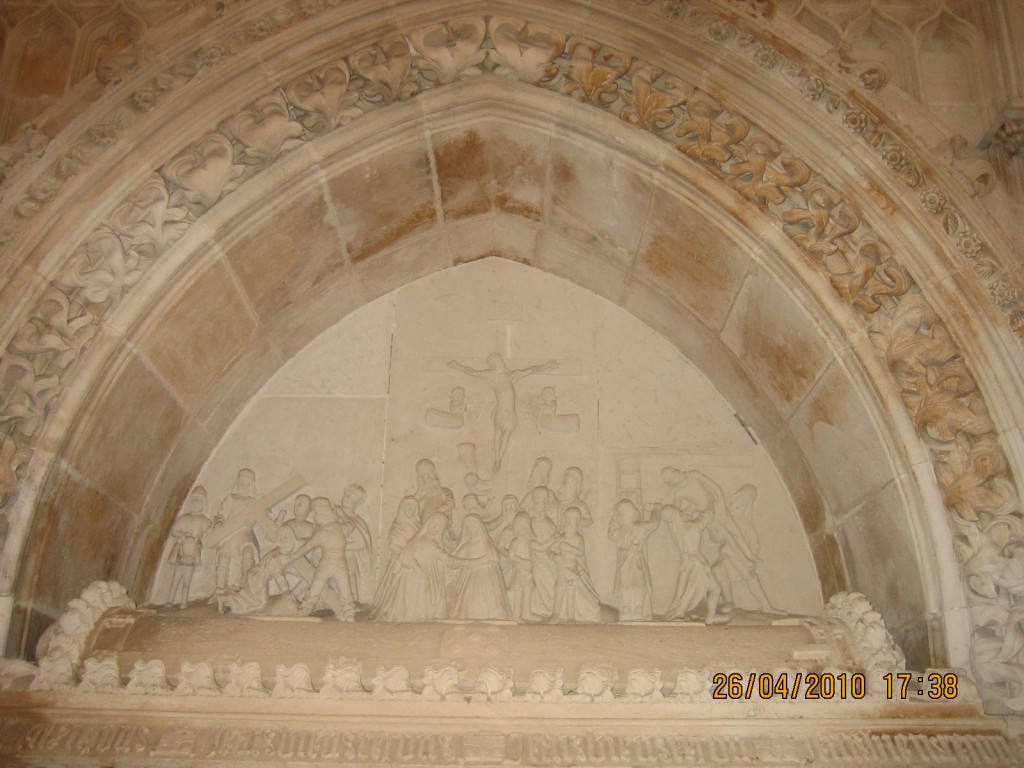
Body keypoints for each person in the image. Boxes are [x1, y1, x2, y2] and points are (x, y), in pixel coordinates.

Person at [448, 354, 558, 471]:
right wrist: (457, 366)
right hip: (500, 412)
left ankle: (499, 459)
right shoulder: (492, 376)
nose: (494, 365)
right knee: (497, 435)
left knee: (506, 436)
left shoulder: (511, 375)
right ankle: (497, 459)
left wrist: (547, 365)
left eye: (495, 362)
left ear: (500, 362)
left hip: (510, 413)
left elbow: (531, 370)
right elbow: (473, 372)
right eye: (491, 364)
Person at [371, 513, 470, 622]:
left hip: (426, 577)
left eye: (439, 526)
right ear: (428, 524)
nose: (435, 527)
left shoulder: (434, 544)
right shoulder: (416, 540)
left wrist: (465, 562)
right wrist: (419, 570)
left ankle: (418, 622)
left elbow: (446, 559)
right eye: (434, 524)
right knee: (413, 602)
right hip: (412, 577)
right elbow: (405, 557)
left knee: (422, 604)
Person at [286, 497, 355, 621]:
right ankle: (349, 615)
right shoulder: (341, 528)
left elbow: (307, 547)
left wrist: (293, 556)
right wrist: (342, 514)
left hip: (325, 566)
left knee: (314, 590)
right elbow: (352, 524)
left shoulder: (322, 533)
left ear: (319, 514)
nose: (312, 516)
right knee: (345, 592)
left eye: (314, 513)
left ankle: (304, 611)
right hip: (341, 566)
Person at [660, 504, 723, 623]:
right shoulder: (691, 527)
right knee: (712, 589)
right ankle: (707, 616)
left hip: (686, 565)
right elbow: (705, 519)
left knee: (687, 593)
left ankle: (704, 615)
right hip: (697, 564)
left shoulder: (674, 530)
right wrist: (708, 509)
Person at [450, 514, 510, 620]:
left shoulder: (486, 544)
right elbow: (452, 563)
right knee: (472, 602)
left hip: (488, 578)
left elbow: (493, 558)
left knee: (490, 602)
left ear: (479, 527)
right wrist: (466, 562)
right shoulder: (466, 546)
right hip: (471, 579)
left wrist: (474, 563)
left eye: (473, 526)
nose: (471, 530)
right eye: (468, 527)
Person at [607, 499, 658, 621]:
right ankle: (626, 607)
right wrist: (656, 509)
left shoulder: (639, 527)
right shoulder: (620, 530)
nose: (622, 515)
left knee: (638, 582)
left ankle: (638, 606)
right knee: (625, 584)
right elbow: (610, 533)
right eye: (620, 512)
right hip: (625, 559)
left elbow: (654, 524)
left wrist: (656, 509)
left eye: (623, 512)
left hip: (635, 559)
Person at [211, 469, 261, 592]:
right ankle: (220, 589)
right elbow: (221, 514)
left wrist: (250, 521)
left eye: (247, 484)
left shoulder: (252, 501)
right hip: (229, 535)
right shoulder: (230, 499)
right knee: (223, 557)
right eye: (242, 483)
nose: (244, 486)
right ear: (237, 482)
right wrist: (219, 524)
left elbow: (254, 519)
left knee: (248, 554)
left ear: (251, 486)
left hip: (245, 534)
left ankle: (245, 588)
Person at [551, 507, 601, 623]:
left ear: (577, 522)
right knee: (559, 589)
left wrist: (567, 547)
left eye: (572, 519)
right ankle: (556, 614)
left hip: (572, 565)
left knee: (571, 590)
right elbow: (551, 549)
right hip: (562, 567)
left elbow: (580, 552)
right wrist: (555, 556)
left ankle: (571, 616)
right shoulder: (561, 536)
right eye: (567, 519)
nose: (569, 522)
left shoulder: (578, 538)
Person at [165, 487, 211, 609]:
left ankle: (183, 602)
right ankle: (170, 600)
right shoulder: (183, 518)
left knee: (186, 583)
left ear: (203, 504)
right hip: (181, 554)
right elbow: (174, 531)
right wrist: (183, 536)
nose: (195, 503)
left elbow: (211, 532)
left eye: (199, 500)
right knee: (175, 582)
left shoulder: (204, 520)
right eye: (194, 499)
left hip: (191, 555)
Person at [336, 484, 372, 602]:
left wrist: (339, 546)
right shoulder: (333, 512)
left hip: (348, 553)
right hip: (329, 553)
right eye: (347, 494)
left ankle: (354, 600)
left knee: (350, 573)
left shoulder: (357, 521)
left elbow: (361, 544)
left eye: (352, 497)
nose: (348, 497)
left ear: (357, 503)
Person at [505, 512, 535, 621]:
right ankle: (516, 615)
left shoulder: (529, 541)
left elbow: (540, 548)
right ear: (517, 530)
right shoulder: (515, 542)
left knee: (528, 590)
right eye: (523, 528)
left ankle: (526, 613)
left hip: (528, 572)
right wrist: (523, 562)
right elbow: (511, 556)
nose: (526, 531)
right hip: (519, 571)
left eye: (527, 527)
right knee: (519, 592)